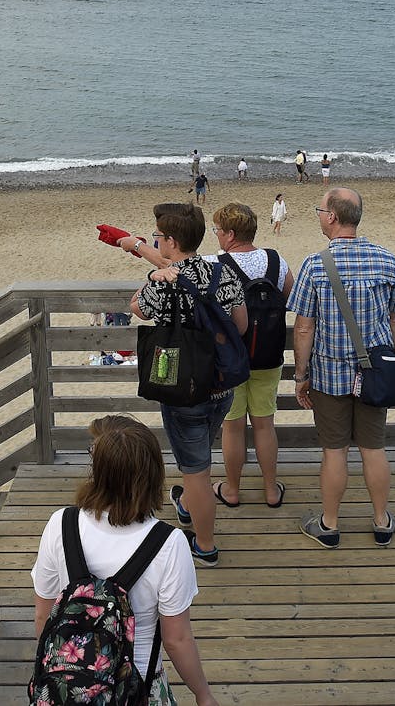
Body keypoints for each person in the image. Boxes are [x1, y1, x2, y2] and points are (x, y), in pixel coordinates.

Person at [32, 416, 221, 706]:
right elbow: (176, 639)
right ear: (153, 473)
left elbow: (45, 617)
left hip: (67, 687)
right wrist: (203, 694)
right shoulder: (168, 543)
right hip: (137, 686)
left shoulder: (61, 524)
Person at [288, 188, 395, 549]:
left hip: (329, 375)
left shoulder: (315, 264)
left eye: (320, 209)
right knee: (374, 449)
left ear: (332, 217)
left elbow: (304, 327)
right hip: (376, 373)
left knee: (335, 451)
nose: (319, 215)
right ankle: (381, 521)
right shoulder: (386, 260)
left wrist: (300, 376)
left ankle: (329, 524)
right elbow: (394, 320)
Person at [130, 202, 247, 568]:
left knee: (196, 472)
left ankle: (206, 545)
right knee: (199, 457)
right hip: (220, 387)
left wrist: (152, 277)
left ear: (172, 241)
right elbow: (240, 326)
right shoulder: (223, 274)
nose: (156, 241)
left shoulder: (165, 280)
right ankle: (187, 505)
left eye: (158, 237)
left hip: (181, 388)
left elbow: (138, 309)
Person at [208, 203, 292, 510]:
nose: (216, 235)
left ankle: (232, 489)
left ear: (230, 234)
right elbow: (289, 297)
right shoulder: (276, 260)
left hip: (231, 359)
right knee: (264, 424)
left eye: (218, 230)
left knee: (232, 427)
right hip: (268, 356)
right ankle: (271, 490)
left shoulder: (216, 264)